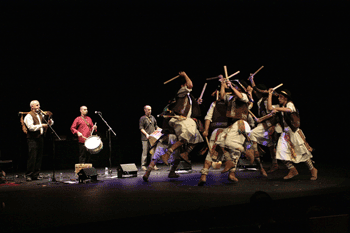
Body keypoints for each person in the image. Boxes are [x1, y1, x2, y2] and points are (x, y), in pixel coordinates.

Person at [198, 77, 264, 185]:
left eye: (236, 87)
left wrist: (233, 87)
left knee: (233, 149)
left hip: (240, 125)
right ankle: (205, 174)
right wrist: (223, 86)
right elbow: (223, 97)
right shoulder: (227, 100)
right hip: (230, 128)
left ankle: (242, 158)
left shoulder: (244, 97)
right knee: (219, 143)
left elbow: (242, 97)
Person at [143, 71, 204, 182]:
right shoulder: (181, 92)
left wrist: (196, 103)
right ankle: (175, 154)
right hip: (178, 124)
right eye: (185, 84)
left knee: (166, 149)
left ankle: (152, 173)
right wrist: (185, 75)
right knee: (189, 137)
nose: (188, 87)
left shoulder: (187, 97)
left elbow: (189, 109)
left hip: (179, 125)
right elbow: (190, 85)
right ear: (182, 86)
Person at [267, 88, 317, 180]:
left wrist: (277, 109)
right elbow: (269, 108)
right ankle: (292, 169)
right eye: (279, 97)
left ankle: (312, 169)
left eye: (281, 97)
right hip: (285, 133)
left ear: (286, 98)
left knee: (301, 152)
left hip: (293, 132)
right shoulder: (280, 106)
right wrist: (270, 94)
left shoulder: (290, 104)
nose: (279, 98)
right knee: (280, 152)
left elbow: (289, 110)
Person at [248, 75, 281, 173]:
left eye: (257, 92)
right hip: (265, 124)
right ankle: (274, 163)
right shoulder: (260, 101)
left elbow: (272, 114)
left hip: (269, 124)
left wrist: (262, 120)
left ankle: (257, 153)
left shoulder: (267, 101)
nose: (255, 93)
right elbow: (255, 89)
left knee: (252, 134)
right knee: (270, 144)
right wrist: (252, 80)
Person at [23, 100, 53, 181]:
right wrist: (41, 125)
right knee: (32, 157)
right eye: (37, 105)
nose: (38, 107)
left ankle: (36, 174)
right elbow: (31, 127)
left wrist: (50, 122)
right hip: (32, 139)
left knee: (39, 157)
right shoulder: (29, 116)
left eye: (39, 105)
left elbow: (49, 123)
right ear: (32, 106)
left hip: (40, 138)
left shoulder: (40, 115)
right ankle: (29, 174)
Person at [139, 105, 160, 171]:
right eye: (148, 109)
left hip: (152, 138)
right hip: (145, 138)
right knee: (145, 152)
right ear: (145, 110)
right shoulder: (142, 118)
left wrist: (160, 130)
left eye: (150, 109)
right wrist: (146, 134)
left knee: (153, 152)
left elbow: (156, 126)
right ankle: (143, 166)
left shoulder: (153, 117)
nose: (150, 111)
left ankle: (153, 165)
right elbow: (141, 128)